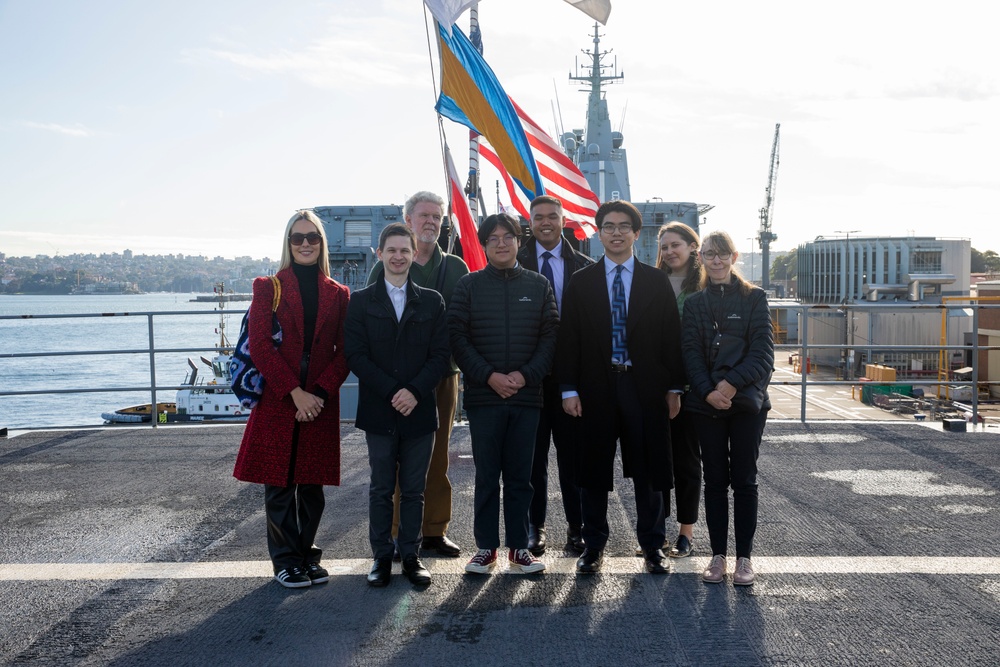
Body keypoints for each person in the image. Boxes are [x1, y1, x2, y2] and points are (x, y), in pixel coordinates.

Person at [555, 200, 683, 575]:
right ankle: (593, 545)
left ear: (636, 233)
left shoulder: (655, 281)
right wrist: (568, 389)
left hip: (644, 386)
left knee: (649, 471)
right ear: (599, 232)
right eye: (608, 226)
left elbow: (670, 338)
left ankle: (653, 544)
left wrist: (675, 386)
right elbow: (569, 339)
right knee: (592, 470)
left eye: (623, 226)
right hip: (595, 387)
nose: (615, 232)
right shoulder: (582, 281)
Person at [233, 210, 350, 589]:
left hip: (318, 398)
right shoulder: (268, 286)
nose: (305, 244)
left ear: (321, 243)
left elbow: (345, 352)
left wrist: (317, 394)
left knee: (312, 485)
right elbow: (262, 347)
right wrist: (295, 393)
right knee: (280, 486)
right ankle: (285, 562)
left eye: (312, 238)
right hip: (279, 397)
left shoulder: (338, 292)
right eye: (298, 237)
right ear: (288, 243)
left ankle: (306, 556)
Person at [448, 213, 559, 574]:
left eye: (507, 236)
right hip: (484, 397)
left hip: (527, 398)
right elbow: (458, 339)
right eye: (492, 238)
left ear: (518, 241)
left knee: (520, 477)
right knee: (486, 475)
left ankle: (519, 548)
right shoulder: (468, 286)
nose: (500, 243)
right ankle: (485, 548)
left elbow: (550, 337)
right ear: (483, 244)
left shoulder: (539, 285)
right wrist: (489, 376)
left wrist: (525, 376)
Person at [345, 224, 451, 588]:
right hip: (379, 410)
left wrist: (414, 392)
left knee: (414, 489)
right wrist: (394, 391)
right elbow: (356, 355)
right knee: (379, 487)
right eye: (391, 250)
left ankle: (410, 555)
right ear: (380, 254)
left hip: (419, 409)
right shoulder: (360, 302)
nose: (398, 256)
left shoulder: (433, 301)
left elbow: (440, 356)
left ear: (413, 254)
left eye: (404, 250)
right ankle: (380, 557)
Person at [366, 191, 469, 558]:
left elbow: (463, 323)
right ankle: (396, 533)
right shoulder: (386, 266)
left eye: (437, 217)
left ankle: (434, 530)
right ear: (408, 220)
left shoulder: (455, 267)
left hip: (441, 376)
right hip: (396, 381)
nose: (430, 222)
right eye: (423, 215)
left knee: (438, 456)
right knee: (395, 459)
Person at [681, 230, 773, 586]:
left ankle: (744, 558)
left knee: (745, 480)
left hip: (747, 402)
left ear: (735, 257)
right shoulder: (695, 303)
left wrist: (731, 383)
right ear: (700, 258)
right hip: (707, 405)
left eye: (722, 254)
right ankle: (718, 556)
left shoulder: (755, 298)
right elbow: (690, 353)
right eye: (709, 254)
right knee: (715, 480)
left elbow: (763, 352)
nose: (716, 260)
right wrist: (707, 391)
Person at [517, 195, 593, 556]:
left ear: (564, 220)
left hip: (572, 379)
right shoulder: (513, 263)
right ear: (529, 222)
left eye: (552, 216)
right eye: (538, 217)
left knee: (573, 459)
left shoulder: (585, 267)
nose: (545, 222)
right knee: (534, 460)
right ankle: (536, 527)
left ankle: (577, 528)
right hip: (530, 377)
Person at [655, 222, 704, 559]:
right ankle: (658, 527)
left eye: (676, 245)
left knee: (687, 460)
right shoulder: (651, 282)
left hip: (692, 386)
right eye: (664, 246)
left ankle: (686, 531)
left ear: (692, 247)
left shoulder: (703, 287)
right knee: (656, 461)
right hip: (654, 384)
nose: (670, 251)